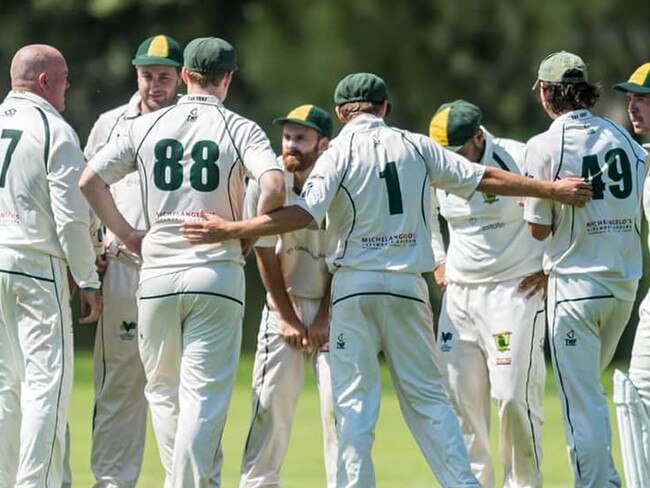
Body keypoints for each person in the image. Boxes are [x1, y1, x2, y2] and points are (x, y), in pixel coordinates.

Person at [179, 72, 591, 487]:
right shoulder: (416, 144)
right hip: (408, 291)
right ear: (384, 108)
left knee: (353, 406)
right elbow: (482, 177)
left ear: (341, 113)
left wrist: (234, 230)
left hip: (354, 291)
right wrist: (549, 189)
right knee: (431, 404)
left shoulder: (337, 153)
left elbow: (304, 215)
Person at [79, 37, 285, 487]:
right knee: (204, 397)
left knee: (163, 394)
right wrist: (246, 227)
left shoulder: (145, 125)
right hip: (216, 272)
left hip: (154, 274)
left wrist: (129, 233)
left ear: (185, 75)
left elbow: (90, 180)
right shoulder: (241, 127)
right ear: (228, 78)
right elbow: (273, 184)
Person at [524, 51, 648, 487]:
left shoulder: (543, 146)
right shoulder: (623, 137)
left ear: (545, 93)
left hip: (575, 288)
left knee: (582, 402)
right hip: (623, 287)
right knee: (592, 392)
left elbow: (538, 231)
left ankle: (600, 483)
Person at [429, 100, 546, 488]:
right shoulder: (435, 165)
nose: (452, 164)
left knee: (513, 398)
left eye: (459, 152)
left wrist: (550, 267)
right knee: (462, 403)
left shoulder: (519, 156)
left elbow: (559, 208)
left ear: (479, 137)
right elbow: (423, 212)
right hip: (460, 296)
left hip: (514, 291)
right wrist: (438, 258)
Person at [83, 34, 183, 488]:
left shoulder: (189, 123)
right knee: (120, 385)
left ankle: (182, 478)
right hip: (122, 265)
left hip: (177, 267)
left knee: (176, 385)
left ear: (181, 77)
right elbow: (83, 194)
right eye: (147, 76)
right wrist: (90, 255)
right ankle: (111, 481)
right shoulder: (109, 124)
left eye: (164, 76)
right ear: (136, 74)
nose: (154, 86)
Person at [0, 44, 101, 487]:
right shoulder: (53, 128)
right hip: (36, 263)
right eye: (63, 80)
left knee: (7, 386)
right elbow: (72, 216)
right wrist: (87, 277)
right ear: (45, 81)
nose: (67, 89)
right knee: (48, 386)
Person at [239, 104, 337, 488]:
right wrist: (286, 316)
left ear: (324, 144)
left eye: (302, 138)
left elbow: (347, 258)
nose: (291, 145)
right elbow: (263, 251)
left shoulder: (339, 183)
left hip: (335, 306)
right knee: (269, 408)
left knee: (340, 412)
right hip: (284, 303)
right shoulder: (268, 183)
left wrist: (326, 316)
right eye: (288, 137)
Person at [611, 62, 650, 486]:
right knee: (635, 397)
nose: (633, 107)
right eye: (631, 98)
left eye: (643, 98)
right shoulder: (642, 159)